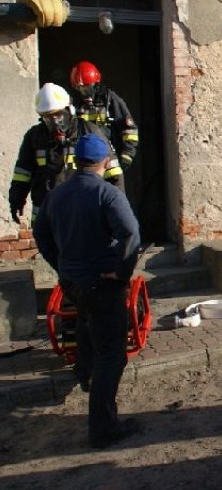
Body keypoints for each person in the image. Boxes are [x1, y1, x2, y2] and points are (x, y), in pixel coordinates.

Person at [33, 133, 141, 449]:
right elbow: (130, 233)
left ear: (76, 161)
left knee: (85, 327)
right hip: (102, 282)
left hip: (73, 281)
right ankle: (103, 428)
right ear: (105, 161)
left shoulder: (57, 194)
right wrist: (121, 271)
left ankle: (84, 374)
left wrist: (61, 264)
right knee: (112, 355)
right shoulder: (107, 194)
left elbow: (41, 234)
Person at [9, 83, 124, 225]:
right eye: (48, 118)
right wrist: (16, 199)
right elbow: (22, 173)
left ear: (70, 110)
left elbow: (113, 174)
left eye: (58, 115)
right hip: (47, 217)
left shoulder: (90, 132)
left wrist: (118, 210)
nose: (55, 122)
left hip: (81, 216)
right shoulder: (34, 136)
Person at [69, 60, 139, 170]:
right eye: (79, 88)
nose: (82, 92)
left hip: (107, 158)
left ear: (95, 84)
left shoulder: (109, 100)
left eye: (86, 88)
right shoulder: (71, 103)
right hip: (81, 159)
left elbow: (129, 130)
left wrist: (127, 155)